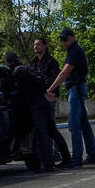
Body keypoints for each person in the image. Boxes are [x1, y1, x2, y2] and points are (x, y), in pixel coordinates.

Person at [45, 27, 95, 167]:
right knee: (84, 124)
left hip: (76, 88)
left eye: (65, 39)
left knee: (74, 125)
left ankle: (76, 159)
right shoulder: (75, 50)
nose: (63, 42)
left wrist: (49, 90)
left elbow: (64, 72)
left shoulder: (74, 51)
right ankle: (92, 155)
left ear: (71, 37)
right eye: (61, 40)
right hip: (78, 87)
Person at [3, 51, 56, 171]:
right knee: (46, 133)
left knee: (42, 134)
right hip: (36, 104)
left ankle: (48, 163)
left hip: (38, 104)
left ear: (8, 62)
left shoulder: (18, 71)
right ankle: (46, 162)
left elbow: (36, 81)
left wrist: (44, 94)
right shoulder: (20, 70)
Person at [31, 36, 70, 166]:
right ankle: (47, 155)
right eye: (35, 44)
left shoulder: (51, 62)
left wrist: (44, 86)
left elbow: (55, 79)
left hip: (49, 98)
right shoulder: (34, 62)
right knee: (44, 129)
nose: (36, 46)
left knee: (51, 128)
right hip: (37, 100)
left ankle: (56, 153)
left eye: (38, 44)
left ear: (45, 46)